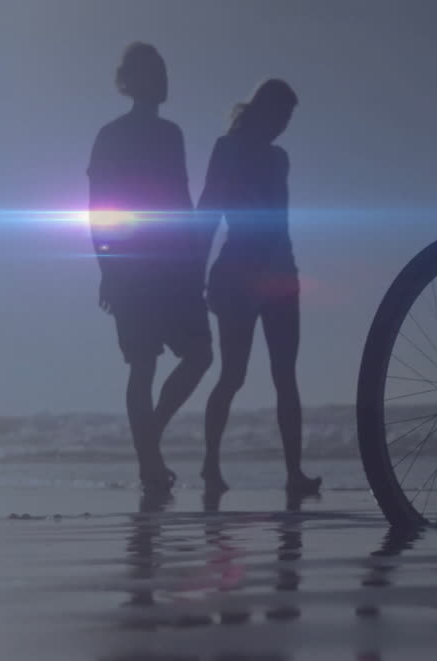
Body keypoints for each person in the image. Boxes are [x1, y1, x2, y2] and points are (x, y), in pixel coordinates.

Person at [87, 42, 213, 501]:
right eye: (151, 73)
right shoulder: (111, 135)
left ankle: (150, 435)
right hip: (133, 265)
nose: (161, 81)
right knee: (143, 364)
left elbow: (181, 201)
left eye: (163, 72)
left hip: (176, 262)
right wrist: (107, 267)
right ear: (131, 81)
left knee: (199, 354)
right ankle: (149, 463)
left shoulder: (171, 134)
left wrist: (194, 258)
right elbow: (98, 208)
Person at [196, 79, 321, 506]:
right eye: (280, 116)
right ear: (263, 110)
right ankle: (210, 461)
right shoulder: (227, 148)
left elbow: (279, 221)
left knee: (286, 376)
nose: (283, 127)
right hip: (236, 274)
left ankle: (294, 473)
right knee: (234, 374)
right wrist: (197, 274)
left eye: (289, 120)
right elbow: (208, 211)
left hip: (282, 275)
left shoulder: (279, 158)